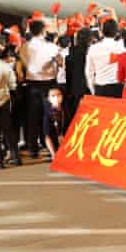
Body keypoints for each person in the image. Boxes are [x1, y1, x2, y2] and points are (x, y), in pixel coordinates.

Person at [20, 19, 61, 158]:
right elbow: (60, 62)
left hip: (32, 84)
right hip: (49, 84)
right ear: (43, 31)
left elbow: (24, 63)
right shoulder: (51, 47)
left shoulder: (24, 47)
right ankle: (52, 148)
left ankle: (33, 148)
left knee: (33, 117)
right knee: (49, 117)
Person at [85, 19, 126, 98]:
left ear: (102, 31)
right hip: (118, 88)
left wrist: (93, 90)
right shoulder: (122, 47)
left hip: (100, 88)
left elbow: (89, 72)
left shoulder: (93, 48)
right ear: (116, 32)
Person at [64, 28, 92, 120]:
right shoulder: (91, 53)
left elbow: (68, 76)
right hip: (90, 89)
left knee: (77, 117)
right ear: (90, 39)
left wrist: (69, 91)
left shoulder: (70, 55)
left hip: (75, 90)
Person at [43, 87, 68, 162]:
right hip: (54, 143)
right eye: (53, 96)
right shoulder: (47, 114)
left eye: (59, 95)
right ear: (48, 98)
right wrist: (53, 154)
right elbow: (47, 137)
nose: (56, 97)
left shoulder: (67, 110)